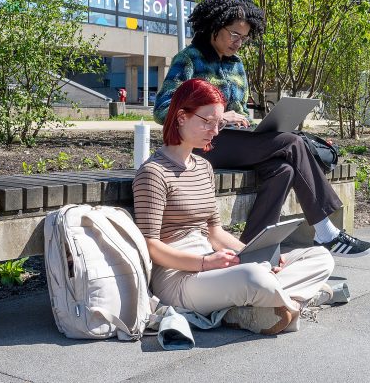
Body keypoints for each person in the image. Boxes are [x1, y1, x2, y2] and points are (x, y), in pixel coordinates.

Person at [153, 0, 370, 257]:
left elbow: (240, 111)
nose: (239, 43)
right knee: (292, 143)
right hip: (201, 146)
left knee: (283, 170)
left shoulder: (237, 66)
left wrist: (249, 123)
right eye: (234, 35)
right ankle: (326, 232)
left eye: (244, 38)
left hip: (233, 143)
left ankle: (253, 250)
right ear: (214, 26)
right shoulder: (188, 60)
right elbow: (163, 109)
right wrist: (219, 117)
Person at [134, 79, 334, 335]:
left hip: (214, 264)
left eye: (219, 123)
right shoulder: (153, 173)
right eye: (208, 121)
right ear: (182, 117)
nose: (215, 132)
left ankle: (260, 306)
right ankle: (294, 300)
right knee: (253, 278)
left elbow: (215, 232)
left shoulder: (203, 167)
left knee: (320, 257)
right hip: (178, 277)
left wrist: (260, 255)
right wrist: (204, 263)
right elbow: (150, 245)